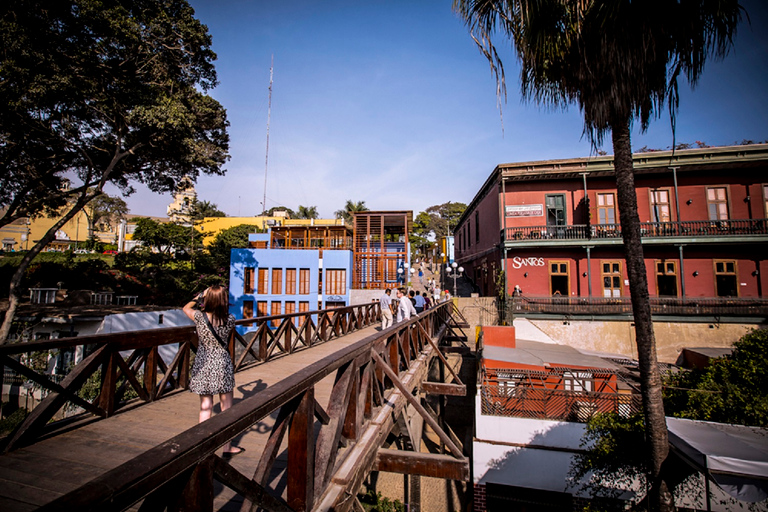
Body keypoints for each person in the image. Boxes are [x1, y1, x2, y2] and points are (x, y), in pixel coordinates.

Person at [182, 285, 243, 457]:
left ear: (208, 299)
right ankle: (226, 446)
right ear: (224, 300)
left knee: (205, 407)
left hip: (203, 362)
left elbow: (186, 308)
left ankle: (203, 445)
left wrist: (200, 295)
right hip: (221, 363)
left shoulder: (200, 318)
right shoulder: (229, 319)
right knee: (227, 408)